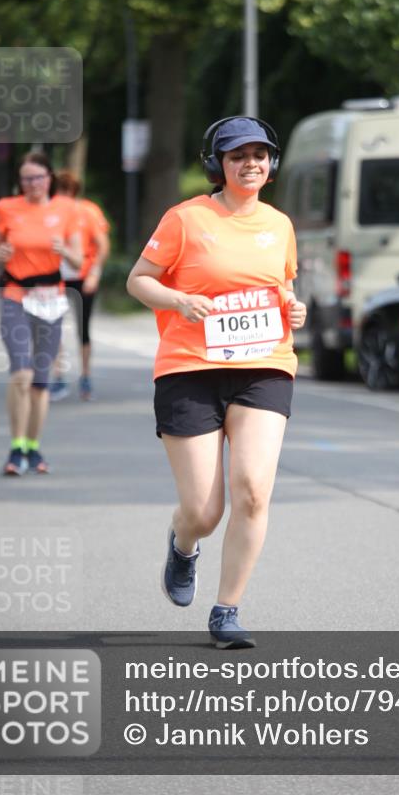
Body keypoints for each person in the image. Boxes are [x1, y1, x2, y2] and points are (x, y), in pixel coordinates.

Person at [127, 116, 306, 648]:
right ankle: (184, 544)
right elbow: (138, 279)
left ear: (271, 165)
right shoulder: (186, 219)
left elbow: (286, 290)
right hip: (190, 370)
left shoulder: (280, 225)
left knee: (253, 491)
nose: (250, 163)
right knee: (206, 511)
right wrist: (179, 300)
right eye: (237, 155)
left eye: (259, 154)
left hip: (264, 366)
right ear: (217, 164)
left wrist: (296, 310)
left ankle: (227, 610)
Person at [0, 152, 82, 476]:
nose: (33, 184)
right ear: (20, 181)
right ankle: (16, 448)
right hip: (16, 295)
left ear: (50, 178)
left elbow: (79, 260)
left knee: (41, 382)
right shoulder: (6, 208)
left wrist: (64, 250)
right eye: (26, 178)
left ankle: (33, 446)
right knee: (21, 374)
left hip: (50, 299)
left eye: (38, 177)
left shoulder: (66, 210)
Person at [48, 170, 111, 402]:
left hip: (82, 275)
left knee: (83, 328)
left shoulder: (88, 211)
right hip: (54, 276)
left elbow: (102, 245)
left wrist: (95, 273)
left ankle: (85, 376)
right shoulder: (49, 211)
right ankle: (58, 376)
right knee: (53, 325)